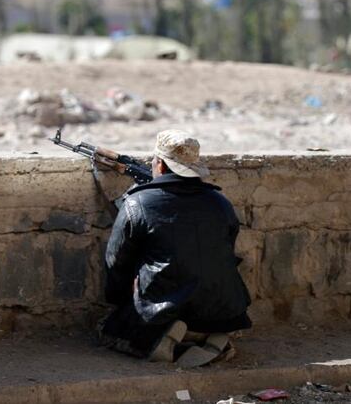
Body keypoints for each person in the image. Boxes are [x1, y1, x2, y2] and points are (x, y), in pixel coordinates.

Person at [98, 129, 252, 367]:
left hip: (164, 309)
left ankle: (162, 338)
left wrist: (122, 303)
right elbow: (226, 252)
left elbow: (116, 262)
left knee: (111, 331)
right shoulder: (220, 203)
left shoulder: (138, 203)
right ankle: (210, 336)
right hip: (224, 309)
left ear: (159, 165)